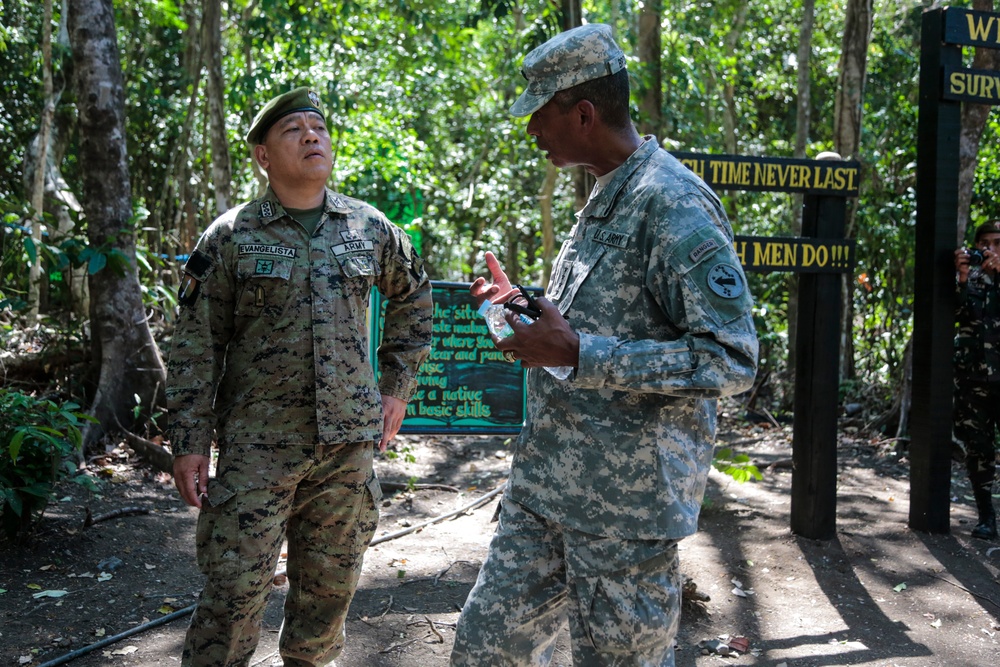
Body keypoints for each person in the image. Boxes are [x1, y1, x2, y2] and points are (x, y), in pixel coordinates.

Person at [451, 24, 759, 667]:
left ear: (583, 113)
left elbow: (731, 359)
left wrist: (577, 353)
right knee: (485, 651)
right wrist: (525, 316)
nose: (530, 128)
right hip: (545, 492)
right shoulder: (605, 194)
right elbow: (593, 323)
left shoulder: (672, 203)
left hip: (624, 517)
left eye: (538, 112)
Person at [167, 86, 433, 667]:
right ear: (264, 156)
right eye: (294, 130)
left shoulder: (370, 227)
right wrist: (188, 443)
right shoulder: (231, 236)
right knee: (232, 599)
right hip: (257, 450)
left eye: (318, 126)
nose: (312, 136)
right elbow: (194, 345)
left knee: (327, 601)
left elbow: (414, 301)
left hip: (346, 450)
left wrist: (396, 387)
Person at [953, 220, 1000, 540]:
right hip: (973, 380)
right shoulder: (970, 279)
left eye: (998, 243)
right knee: (978, 450)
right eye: (985, 243)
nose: (991, 250)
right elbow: (951, 315)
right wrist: (962, 277)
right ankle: (986, 518)